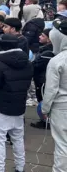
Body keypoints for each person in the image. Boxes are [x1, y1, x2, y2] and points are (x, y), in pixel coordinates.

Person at [0, 34, 33, 172]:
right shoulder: (28, 63)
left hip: (1, 108)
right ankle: (20, 167)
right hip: (19, 107)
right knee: (18, 140)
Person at [42, 20, 67, 171]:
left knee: (62, 144)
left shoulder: (57, 61)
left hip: (62, 108)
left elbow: (50, 90)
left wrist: (45, 109)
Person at [30, 29, 54, 129]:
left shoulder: (47, 53)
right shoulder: (44, 49)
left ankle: (46, 121)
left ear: (49, 39)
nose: (39, 37)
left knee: (43, 99)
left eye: (43, 36)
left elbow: (36, 65)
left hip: (42, 79)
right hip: (40, 78)